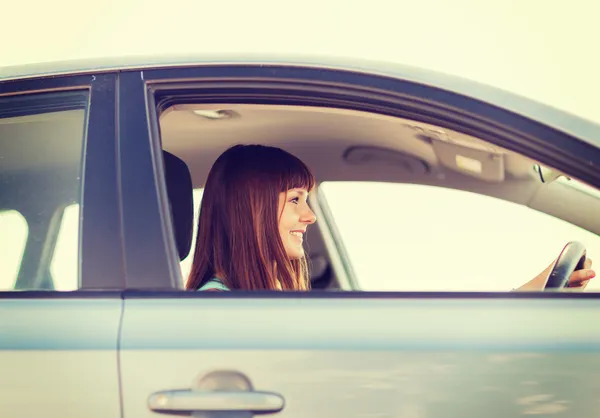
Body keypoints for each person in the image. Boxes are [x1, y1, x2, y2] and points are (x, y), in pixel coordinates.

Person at [186, 144, 595, 292]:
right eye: (295, 199)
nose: (309, 216)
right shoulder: (217, 309)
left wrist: (532, 291)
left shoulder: (251, 303)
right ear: (252, 211)